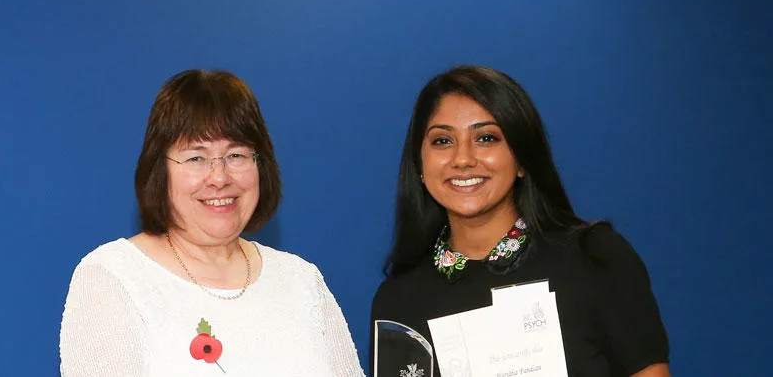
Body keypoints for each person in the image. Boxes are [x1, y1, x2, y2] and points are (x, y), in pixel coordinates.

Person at [371, 65, 670, 376]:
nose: (462, 159)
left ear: (522, 160)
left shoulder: (594, 258)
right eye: (443, 141)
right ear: (420, 164)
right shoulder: (397, 303)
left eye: (486, 138)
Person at [60, 69, 363, 376]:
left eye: (236, 155)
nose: (219, 178)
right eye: (196, 158)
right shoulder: (113, 277)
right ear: (160, 171)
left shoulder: (301, 281)